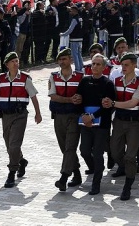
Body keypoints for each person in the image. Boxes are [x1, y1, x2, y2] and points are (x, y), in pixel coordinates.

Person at [0, 52, 42, 188]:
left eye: (17, 61)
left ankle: (11, 172)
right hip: (5, 115)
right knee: (9, 144)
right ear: (7, 65)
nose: (16, 64)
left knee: (14, 144)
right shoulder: (1, 80)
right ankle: (21, 161)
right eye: (13, 62)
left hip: (20, 115)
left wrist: (38, 114)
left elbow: (33, 96)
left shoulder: (25, 79)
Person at [101, 53, 139, 201]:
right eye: (122, 65)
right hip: (119, 120)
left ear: (134, 65)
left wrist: (113, 104)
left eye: (127, 65)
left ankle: (128, 184)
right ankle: (126, 167)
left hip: (134, 122)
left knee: (130, 155)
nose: (123, 68)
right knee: (114, 150)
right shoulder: (116, 81)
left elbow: (133, 103)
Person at [76, 53, 116, 195]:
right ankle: (93, 168)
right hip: (85, 123)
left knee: (98, 153)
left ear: (104, 67)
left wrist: (92, 117)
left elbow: (108, 107)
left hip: (101, 124)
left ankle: (96, 183)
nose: (95, 67)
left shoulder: (108, 84)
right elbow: (78, 100)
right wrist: (84, 116)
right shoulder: (84, 81)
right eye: (93, 64)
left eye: (98, 64)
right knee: (85, 151)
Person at [48, 48, 84, 192]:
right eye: (60, 60)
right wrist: (70, 99)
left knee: (70, 146)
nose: (62, 62)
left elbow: (84, 94)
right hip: (58, 115)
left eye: (65, 59)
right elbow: (53, 96)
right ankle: (77, 173)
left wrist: (80, 98)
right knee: (64, 146)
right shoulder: (53, 76)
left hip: (74, 116)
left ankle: (63, 177)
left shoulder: (80, 76)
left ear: (71, 60)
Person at [60, 6, 84, 71]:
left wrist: (63, 34)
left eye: (71, 10)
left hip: (74, 39)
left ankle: (77, 69)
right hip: (80, 38)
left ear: (74, 11)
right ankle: (81, 67)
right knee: (79, 54)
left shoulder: (74, 19)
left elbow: (70, 29)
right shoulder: (80, 18)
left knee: (75, 55)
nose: (70, 12)